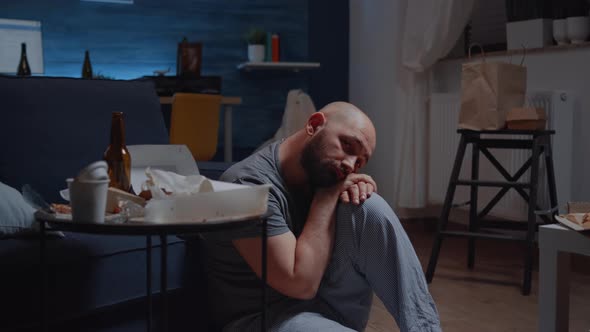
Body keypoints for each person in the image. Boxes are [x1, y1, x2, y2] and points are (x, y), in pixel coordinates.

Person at [202, 102, 441, 331]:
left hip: (326, 308)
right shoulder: (245, 185)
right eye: (347, 145)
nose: (350, 165)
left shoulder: (322, 175)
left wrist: (338, 191)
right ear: (314, 125)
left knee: (367, 208)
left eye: (359, 162)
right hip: (262, 321)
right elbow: (300, 284)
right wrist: (327, 196)